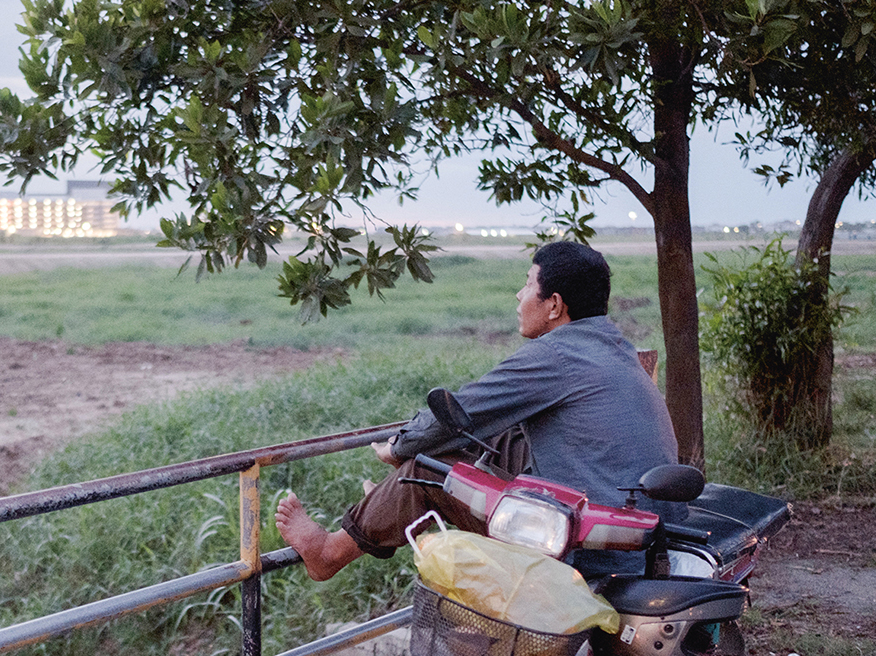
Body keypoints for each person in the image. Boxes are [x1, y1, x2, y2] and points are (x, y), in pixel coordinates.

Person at [275, 241, 680, 581]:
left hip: (584, 545)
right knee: (495, 434)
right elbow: (476, 422)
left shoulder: (555, 355)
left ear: (554, 305)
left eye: (526, 285)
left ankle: (328, 552)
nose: (519, 297)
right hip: (635, 535)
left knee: (427, 472)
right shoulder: (616, 346)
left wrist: (398, 450)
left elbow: (464, 407)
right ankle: (388, 505)